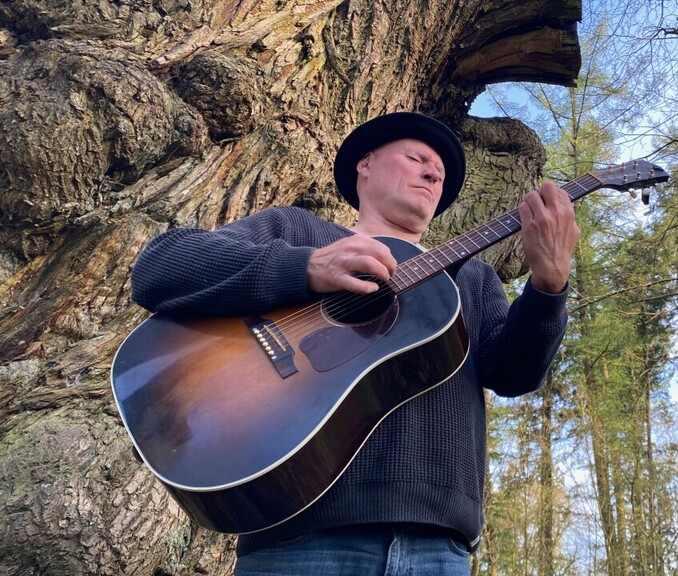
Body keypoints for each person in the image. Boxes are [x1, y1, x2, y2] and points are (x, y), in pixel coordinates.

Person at [130, 111, 580, 574]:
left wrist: (549, 288)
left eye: (440, 174)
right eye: (417, 159)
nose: (433, 174)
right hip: (297, 538)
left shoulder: (474, 278)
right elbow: (159, 268)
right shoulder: (299, 231)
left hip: (440, 547)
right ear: (365, 164)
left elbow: (517, 374)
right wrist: (305, 268)